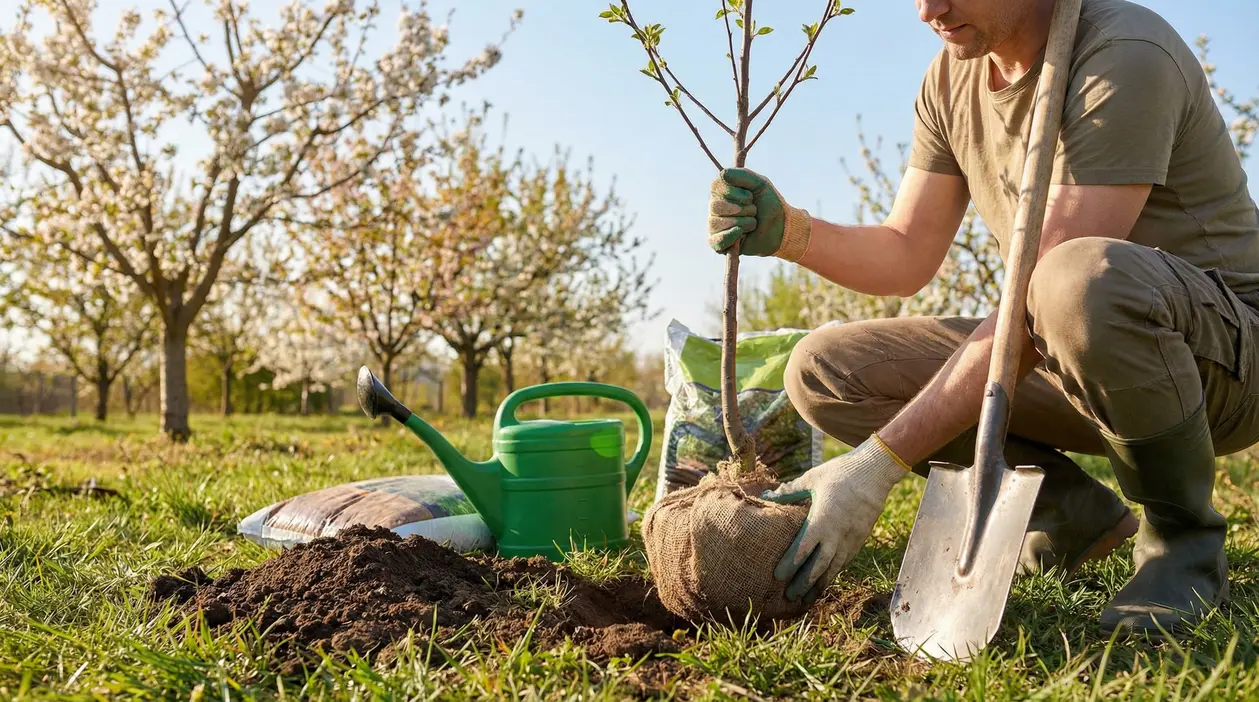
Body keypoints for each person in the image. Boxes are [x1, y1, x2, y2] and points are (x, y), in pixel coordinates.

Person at [705, 0, 1259, 638]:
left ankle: (1182, 541)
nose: (927, 12)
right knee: (825, 369)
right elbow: (907, 251)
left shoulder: (1125, 53)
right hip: (1070, 347)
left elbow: (1051, 289)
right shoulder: (952, 75)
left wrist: (875, 466)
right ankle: (1067, 518)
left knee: (1074, 280)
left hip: (1218, 363)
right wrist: (790, 232)